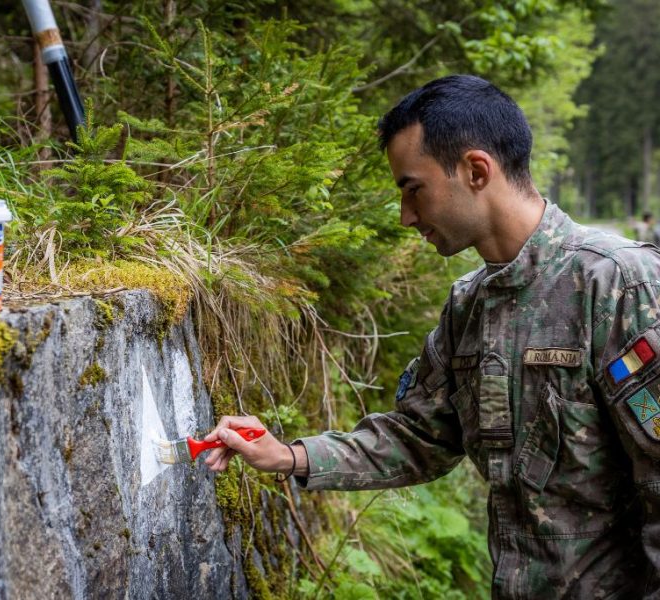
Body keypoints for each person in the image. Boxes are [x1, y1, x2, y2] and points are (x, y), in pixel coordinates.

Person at [203, 74, 660, 598]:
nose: (405, 217)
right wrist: (289, 456)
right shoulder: (468, 306)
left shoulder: (619, 285)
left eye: (413, 189)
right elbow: (420, 436)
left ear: (476, 170)